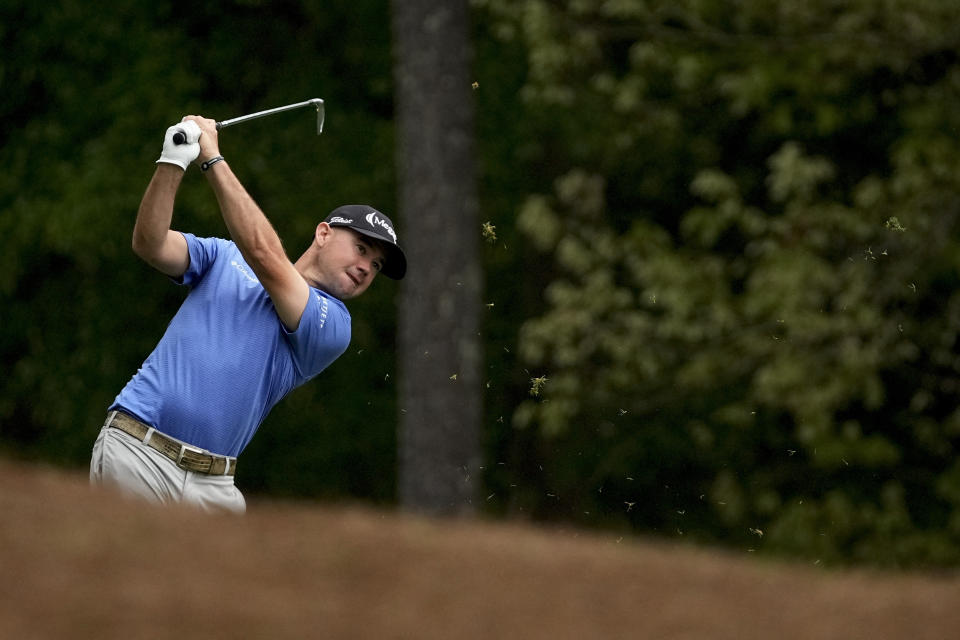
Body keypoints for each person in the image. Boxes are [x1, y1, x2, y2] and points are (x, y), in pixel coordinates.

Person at [89, 115, 406, 513]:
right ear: (323, 233)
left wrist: (212, 158)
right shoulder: (223, 256)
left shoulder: (333, 326)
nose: (366, 267)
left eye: (376, 266)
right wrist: (172, 162)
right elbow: (150, 243)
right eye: (362, 249)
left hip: (214, 486)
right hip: (139, 451)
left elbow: (266, 257)